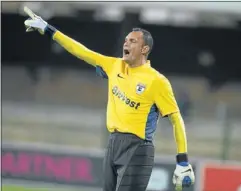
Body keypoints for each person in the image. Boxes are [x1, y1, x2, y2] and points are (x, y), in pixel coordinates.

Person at [24, 9, 195, 191]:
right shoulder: (114, 66)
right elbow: (81, 51)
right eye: (126, 40)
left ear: (144, 49)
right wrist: (49, 29)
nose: (126, 43)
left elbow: (177, 120)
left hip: (138, 148)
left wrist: (182, 160)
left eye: (133, 41)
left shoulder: (157, 81)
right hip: (113, 143)